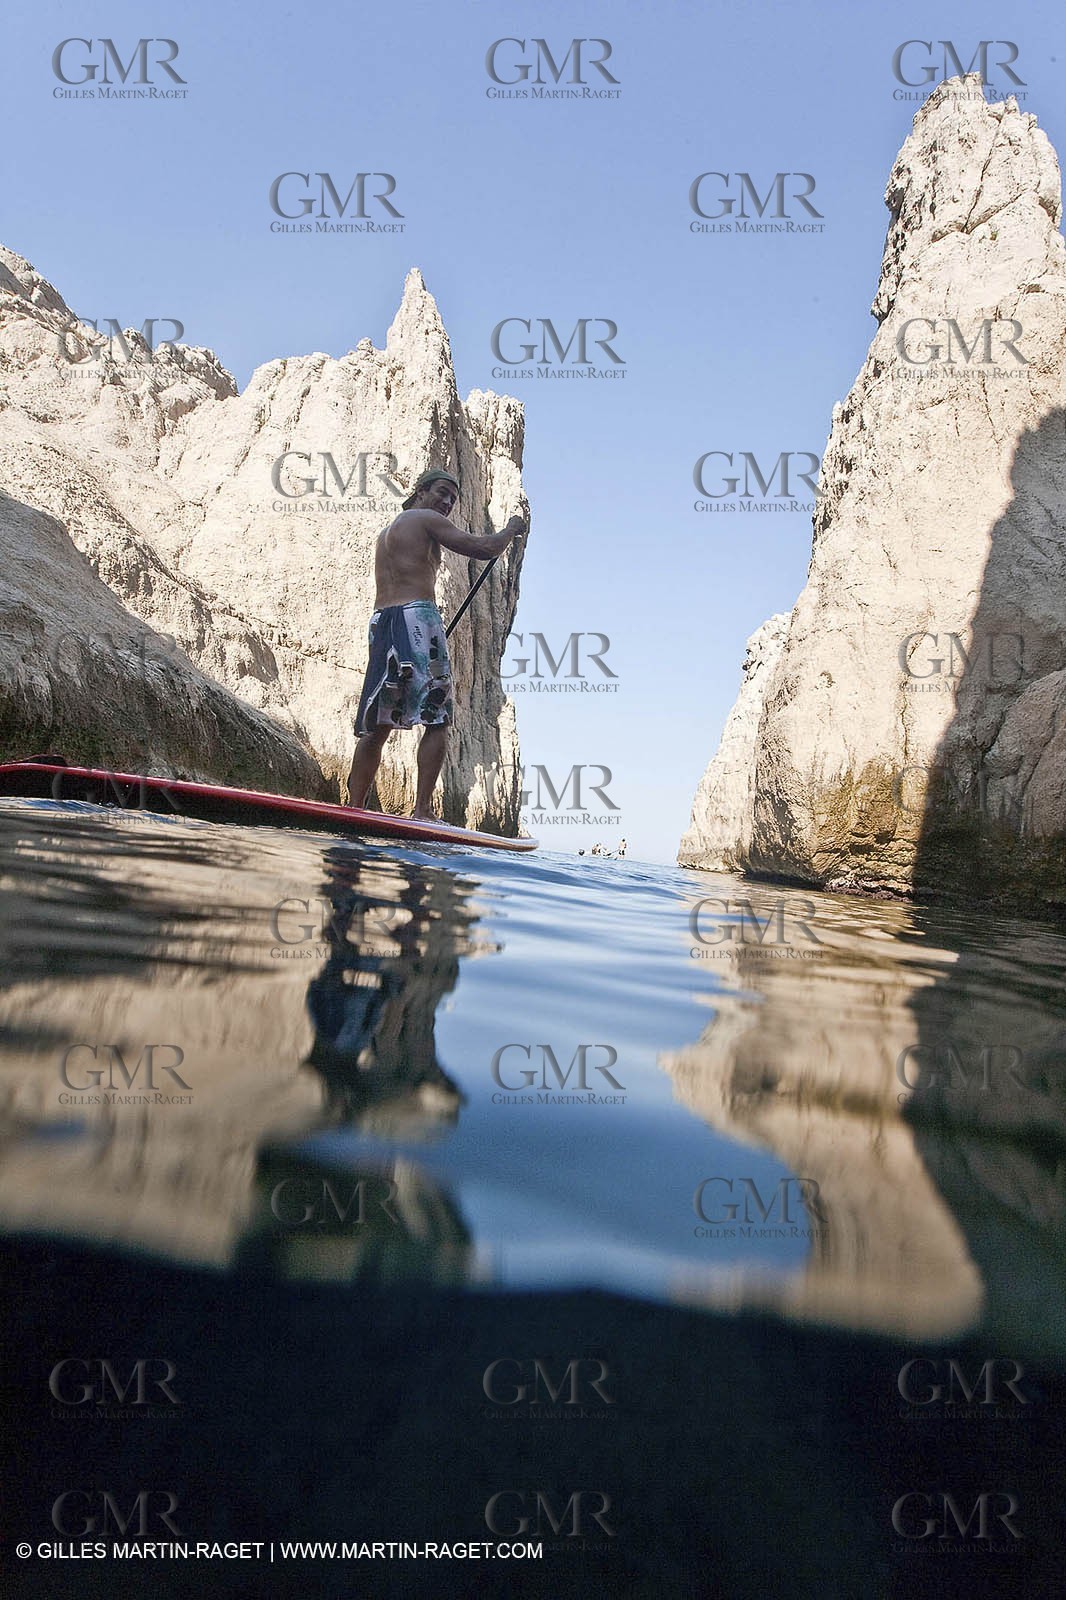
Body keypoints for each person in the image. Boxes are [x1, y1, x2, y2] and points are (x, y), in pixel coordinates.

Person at [347, 468, 525, 819]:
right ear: (421, 491)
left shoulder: (387, 533)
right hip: (417, 618)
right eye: (442, 492)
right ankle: (423, 810)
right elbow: (483, 548)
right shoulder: (424, 518)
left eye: (453, 499)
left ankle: (354, 807)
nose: (447, 502)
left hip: (382, 624)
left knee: (380, 722)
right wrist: (511, 529)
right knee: (437, 717)